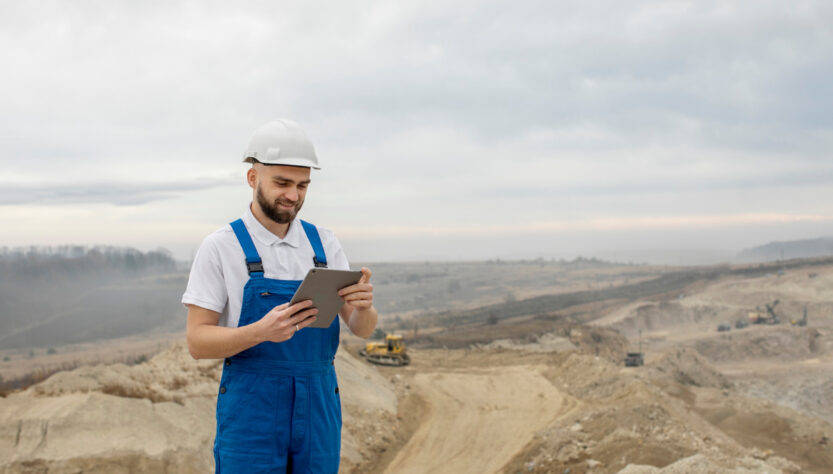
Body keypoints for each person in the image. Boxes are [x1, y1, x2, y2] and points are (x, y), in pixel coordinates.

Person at [182, 119, 378, 473]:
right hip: (251, 410)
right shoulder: (221, 247)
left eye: (303, 185)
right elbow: (197, 341)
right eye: (282, 183)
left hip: (318, 404)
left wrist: (363, 307)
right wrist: (259, 332)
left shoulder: (324, 244)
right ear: (253, 178)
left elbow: (361, 328)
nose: (293, 195)